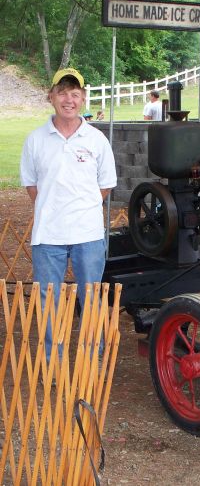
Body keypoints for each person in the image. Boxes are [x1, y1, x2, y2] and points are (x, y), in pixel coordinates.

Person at [20, 67, 117, 361]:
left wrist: (80, 208)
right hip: (47, 235)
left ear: (83, 98)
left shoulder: (96, 140)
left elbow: (105, 186)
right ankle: (54, 364)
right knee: (50, 301)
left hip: (88, 234)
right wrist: (55, 209)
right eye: (62, 92)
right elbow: (32, 187)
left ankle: (93, 361)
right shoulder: (35, 140)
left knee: (92, 297)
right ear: (51, 97)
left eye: (75, 93)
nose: (68, 99)